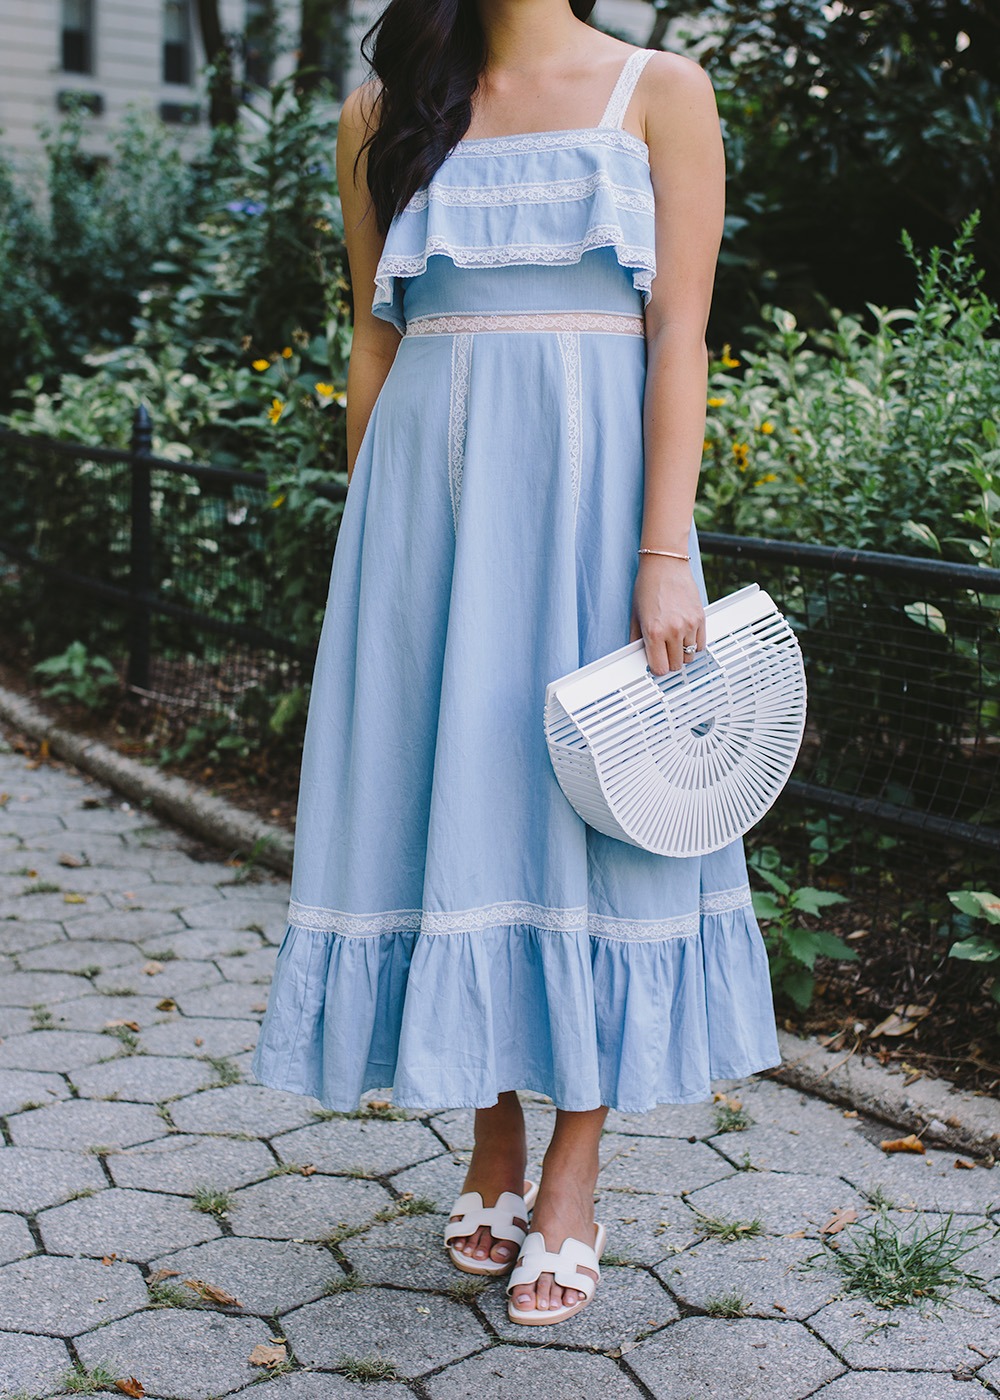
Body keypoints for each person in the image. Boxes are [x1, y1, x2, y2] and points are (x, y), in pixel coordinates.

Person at [252, 0, 781, 1326]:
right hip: (422, 522)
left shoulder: (662, 91)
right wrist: (368, 557)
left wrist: (666, 552)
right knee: (459, 814)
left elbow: (681, 335)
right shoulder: (381, 111)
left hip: (595, 515)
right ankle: (491, 1141)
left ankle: (574, 1175)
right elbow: (376, 337)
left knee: (591, 820)